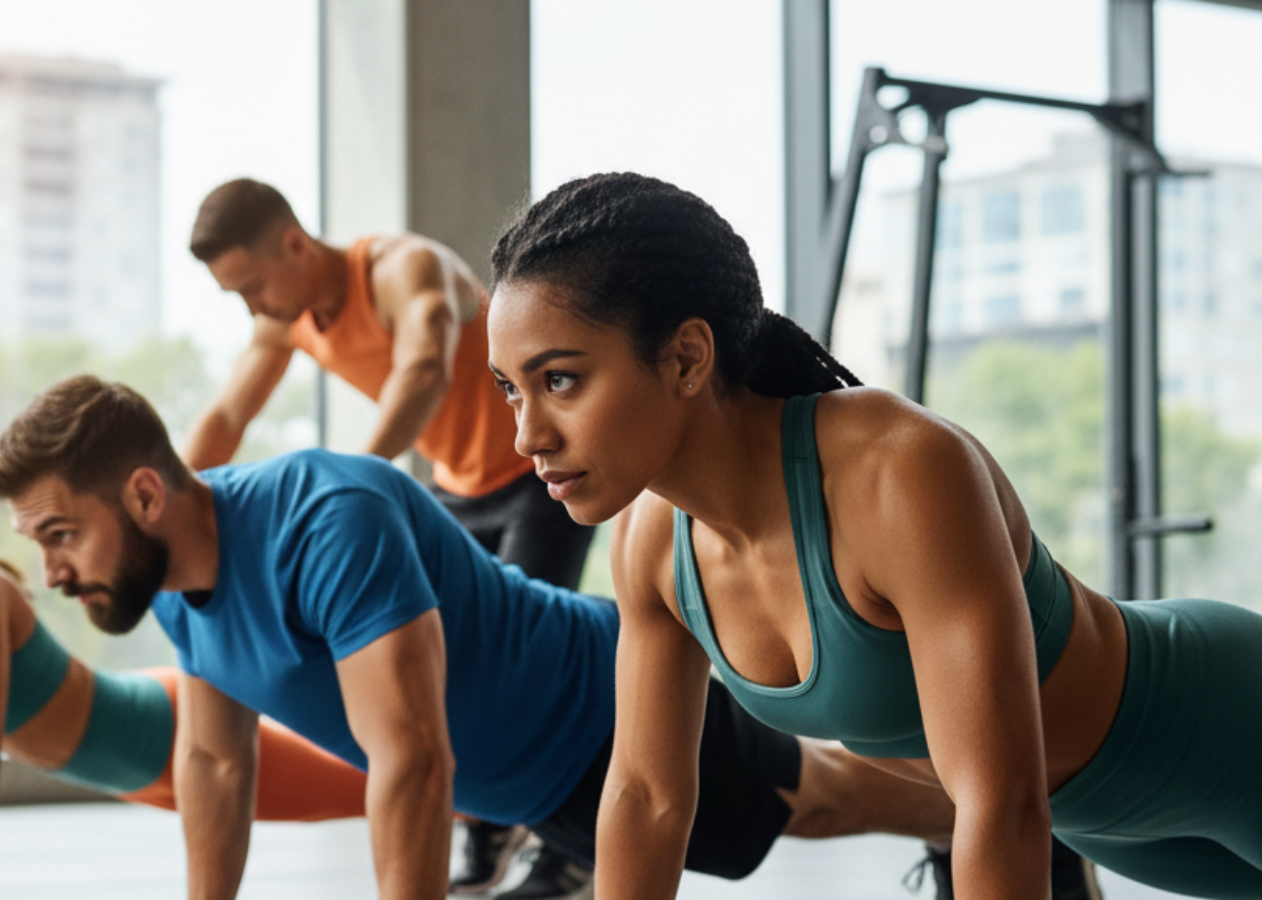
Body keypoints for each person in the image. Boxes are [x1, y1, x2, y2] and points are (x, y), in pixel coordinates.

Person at [483, 172, 1262, 899]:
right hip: (1106, 819)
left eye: (560, 380)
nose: (527, 436)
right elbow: (647, 797)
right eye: (511, 390)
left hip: (1219, 732)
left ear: (687, 356)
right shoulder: (651, 547)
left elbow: (999, 802)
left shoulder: (897, 471)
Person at [0, 374, 975, 900]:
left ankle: (1000, 811)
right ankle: (976, 809)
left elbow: (409, 757)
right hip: (528, 786)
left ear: (144, 493)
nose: (52, 574)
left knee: (818, 800)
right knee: (807, 805)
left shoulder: (324, 515)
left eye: (60, 535)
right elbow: (213, 764)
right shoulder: (168, 587)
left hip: (604, 709)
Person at [183, 177, 597, 894]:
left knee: (519, 665)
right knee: (440, 675)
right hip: (456, 489)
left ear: (292, 243)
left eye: (253, 286)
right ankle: (490, 830)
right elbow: (226, 418)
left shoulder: (405, 269)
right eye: (237, 299)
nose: (254, 308)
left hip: (534, 476)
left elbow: (424, 369)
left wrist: (344, 493)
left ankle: (569, 846)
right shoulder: (287, 322)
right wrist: (163, 513)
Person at [0, 433, 369, 900]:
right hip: (126, 771)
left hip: (161, 731)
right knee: (367, 789)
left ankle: (468, 803)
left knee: (373, 788)